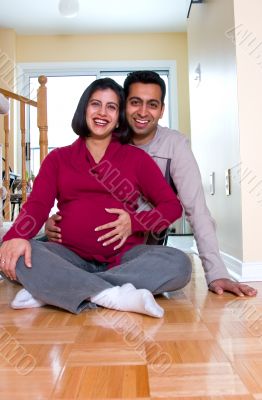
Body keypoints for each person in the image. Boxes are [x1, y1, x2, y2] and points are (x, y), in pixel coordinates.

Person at [46, 71, 257, 298]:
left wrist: (216, 273)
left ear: (162, 110)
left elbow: (197, 210)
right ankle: (105, 289)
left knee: (178, 266)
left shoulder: (174, 146)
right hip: (80, 249)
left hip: (136, 250)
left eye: (152, 104)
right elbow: (73, 186)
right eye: (135, 102)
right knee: (20, 252)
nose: (143, 112)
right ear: (123, 104)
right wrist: (54, 221)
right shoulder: (103, 135)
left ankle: (78, 284)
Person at [0, 78, 191, 317]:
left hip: (124, 258)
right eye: (95, 104)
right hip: (68, 255)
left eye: (111, 107)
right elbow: (37, 206)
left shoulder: (136, 159)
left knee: (179, 264)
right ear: (84, 109)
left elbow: (172, 207)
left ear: (119, 116)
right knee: (21, 252)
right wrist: (14, 238)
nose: (102, 113)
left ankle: (58, 289)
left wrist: (135, 223)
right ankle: (112, 295)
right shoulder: (58, 158)